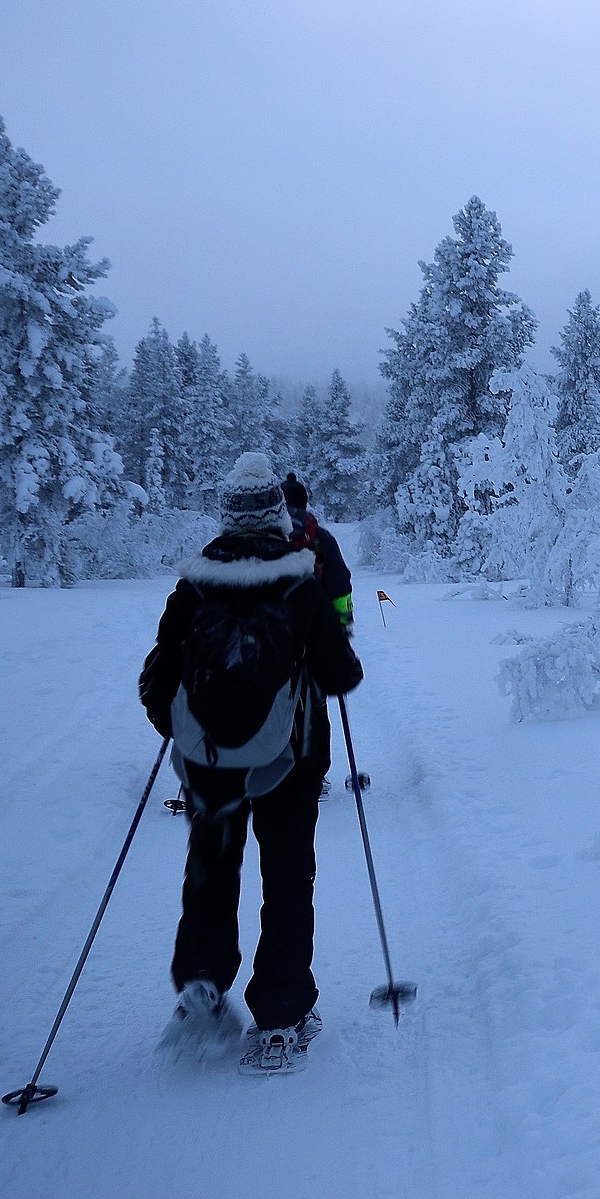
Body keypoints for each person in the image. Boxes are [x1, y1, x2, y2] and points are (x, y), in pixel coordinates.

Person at [140, 452, 362, 1076]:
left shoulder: (194, 586)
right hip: (289, 762)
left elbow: (156, 682)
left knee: (211, 871)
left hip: (209, 769)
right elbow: (342, 674)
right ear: (276, 519)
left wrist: (191, 736)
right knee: (288, 876)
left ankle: (202, 986)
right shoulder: (301, 583)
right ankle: (281, 1018)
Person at [282, 472, 353, 634]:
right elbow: (340, 581)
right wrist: (344, 623)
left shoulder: (266, 534)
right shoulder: (320, 536)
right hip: (315, 626)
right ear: (304, 503)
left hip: (273, 630)